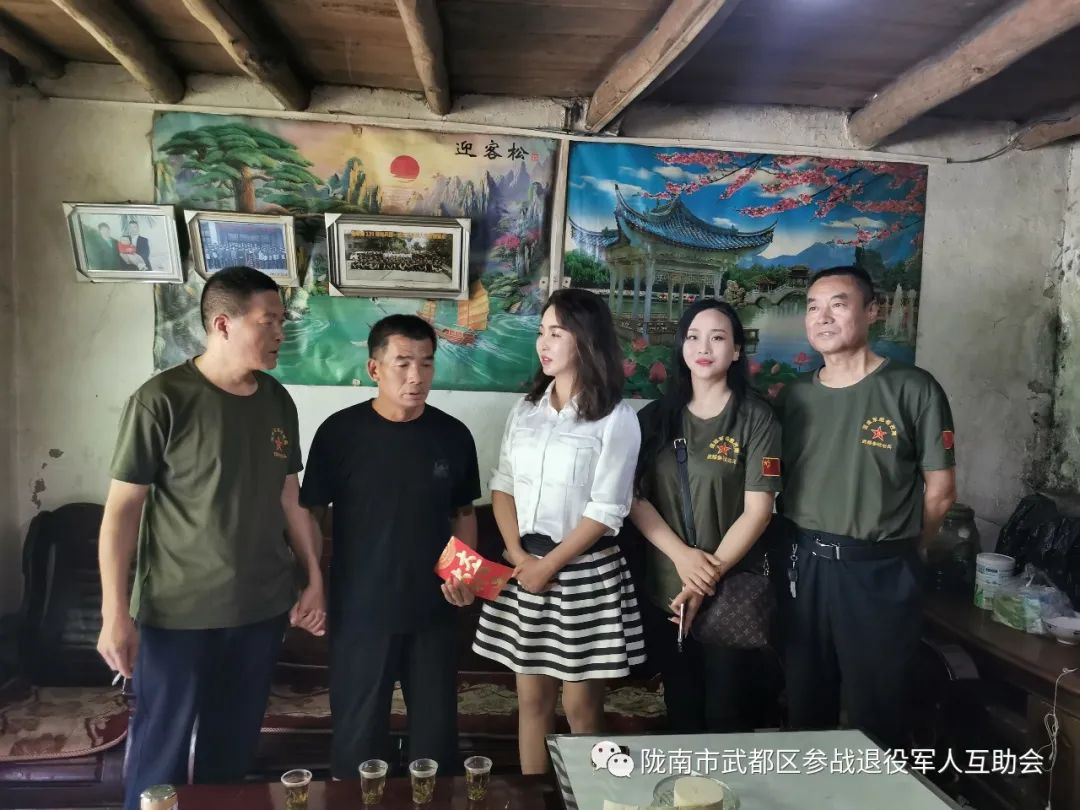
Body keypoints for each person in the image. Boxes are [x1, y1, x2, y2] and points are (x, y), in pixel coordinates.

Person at [97, 266, 326, 810]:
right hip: (178, 612)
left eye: (282, 321)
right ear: (223, 324)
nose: (281, 332)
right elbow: (121, 512)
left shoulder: (277, 400)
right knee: (160, 756)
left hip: (260, 609)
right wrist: (114, 612)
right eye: (269, 321)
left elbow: (290, 498)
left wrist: (314, 578)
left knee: (231, 757)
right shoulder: (162, 399)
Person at [776, 265, 956, 749]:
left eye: (838, 304)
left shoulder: (913, 387)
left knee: (878, 712)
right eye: (813, 307)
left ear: (872, 311)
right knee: (805, 704)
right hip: (804, 565)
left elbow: (940, 491)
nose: (822, 317)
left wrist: (902, 548)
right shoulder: (794, 396)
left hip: (880, 570)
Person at [300, 314, 480, 779]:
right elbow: (310, 512)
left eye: (426, 363)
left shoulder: (453, 435)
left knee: (436, 742)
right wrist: (311, 582)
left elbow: (463, 513)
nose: (416, 376)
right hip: (361, 610)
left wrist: (464, 576)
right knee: (357, 739)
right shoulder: (339, 433)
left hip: (434, 609)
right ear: (375, 368)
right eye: (403, 363)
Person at [472, 288, 643, 774]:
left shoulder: (616, 417)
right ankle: (535, 799)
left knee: (581, 708)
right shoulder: (526, 410)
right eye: (540, 332)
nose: (543, 344)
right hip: (525, 568)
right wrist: (517, 554)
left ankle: (594, 798)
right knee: (531, 702)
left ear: (586, 340)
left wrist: (549, 565)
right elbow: (503, 485)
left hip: (583, 572)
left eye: (556, 333)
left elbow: (608, 509)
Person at [630, 299, 781, 734]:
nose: (704, 347)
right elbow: (635, 499)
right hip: (668, 591)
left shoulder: (756, 418)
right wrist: (683, 558)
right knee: (681, 708)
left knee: (725, 715)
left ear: (736, 351)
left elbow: (758, 511)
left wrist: (703, 579)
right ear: (681, 347)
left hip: (730, 592)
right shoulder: (654, 418)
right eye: (693, 337)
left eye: (718, 338)